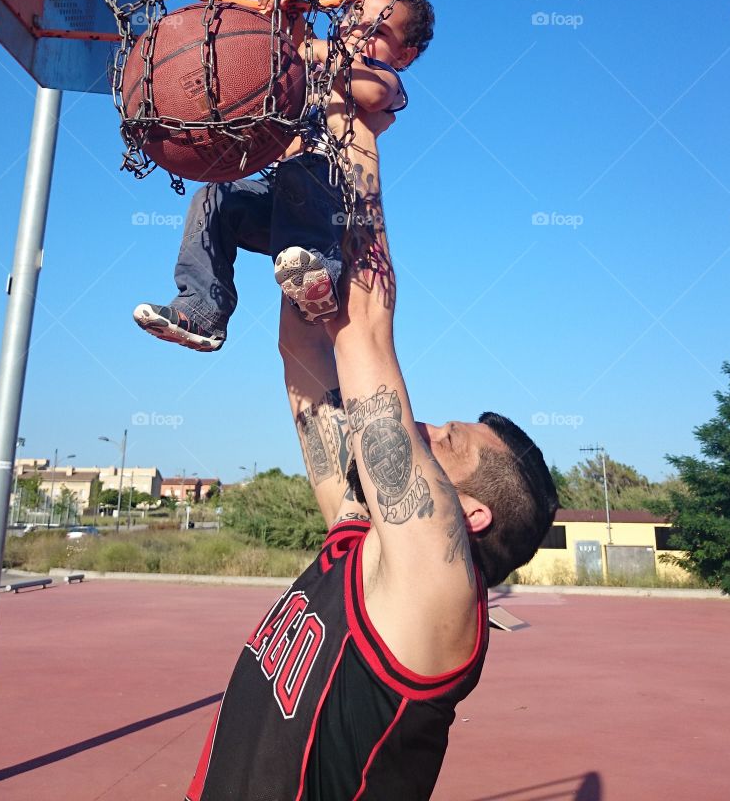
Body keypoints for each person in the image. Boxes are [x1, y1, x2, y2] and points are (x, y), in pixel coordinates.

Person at [185, 174, 559, 799]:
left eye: (448, 441)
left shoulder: (438, 596)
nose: (425, 428)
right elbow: (302, 351)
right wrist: (301, 191)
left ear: (471, 514)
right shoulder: (354, 538)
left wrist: (349, 134)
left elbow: (361, 328)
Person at [132, 0, 435, 350]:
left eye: (376, 30)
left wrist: (318, 49)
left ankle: (317, 277)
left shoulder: (385, 79)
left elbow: (373, 94)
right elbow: (288, 32)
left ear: (404, 55)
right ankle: (202, 309)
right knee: (213, 198)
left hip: (331, 205)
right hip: (279, 205)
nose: (356, 30)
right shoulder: (315, 60)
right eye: (353, 16)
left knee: (301, 170)